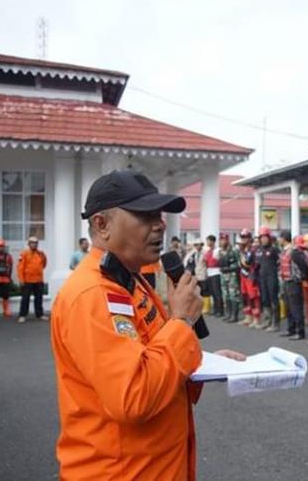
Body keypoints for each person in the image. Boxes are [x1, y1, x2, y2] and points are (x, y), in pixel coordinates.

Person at [51, 169, 244, 479]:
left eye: (159, 214)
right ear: (102, 225)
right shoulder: (91, 294)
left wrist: (205, 364)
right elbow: (134, 397)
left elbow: (153, 358)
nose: (160, 224)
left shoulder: (132, 280)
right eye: (144, 215)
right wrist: (181, 322)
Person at [279, 234, 308, 340]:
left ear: (283, 239)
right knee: (288, 307)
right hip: (286, 281)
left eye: (280, 238)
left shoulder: (295, 252)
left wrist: (304, 278)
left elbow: (303, 266)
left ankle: (300, 332)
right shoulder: (284, 251)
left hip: (294, 282)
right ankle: (290, 329)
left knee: (296, 307)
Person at [17, 236, 48, 323]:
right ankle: (22, 315)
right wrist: (21, 279)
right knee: (25, 299)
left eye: (35, 243)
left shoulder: (41, 254)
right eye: (32, 243)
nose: (34, 245)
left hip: (38, 280)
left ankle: (40, 314)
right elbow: (20, 268)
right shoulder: (24, 254)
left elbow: (44, 264)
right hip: (27, 280)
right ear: (29, 244)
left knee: (39, 298)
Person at [255, 227, 280, 331]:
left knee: (273, 299)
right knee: (264, 299)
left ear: (269, 238)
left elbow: (279, 263)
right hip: (262, 278)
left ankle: (275, 323)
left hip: (272, 277)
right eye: (261, 237)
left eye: (265, 237)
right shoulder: (259, 250)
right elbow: (257, 265)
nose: (263, 240)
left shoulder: (274, 250)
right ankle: (267, 320)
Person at [236, 230, 261, 327]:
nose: (243, 239)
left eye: (245, 237)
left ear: (249, 238)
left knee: (253, 297)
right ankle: (248, 316)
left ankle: (256, 318)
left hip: (251, 275)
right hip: (243, 275)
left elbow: (248, 262)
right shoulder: (242, 250)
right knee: (245, 296)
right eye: (242, 237)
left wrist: (243, 251)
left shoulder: (253, 249)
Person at [218, 233, 242, 323]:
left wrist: (229, 268)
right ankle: (228, 314)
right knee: (225, 295)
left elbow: (238, 264)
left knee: (233, 295)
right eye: (221, 240)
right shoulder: (220, 251)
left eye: (224, 240)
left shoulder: (234, 250)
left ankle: (234, 315)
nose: (222, 242)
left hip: (232, 274)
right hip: (223, 275)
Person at [204, 235, 224, 318]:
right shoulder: (208, 251)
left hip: (216, 272)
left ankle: (220, 310)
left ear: (212, 241)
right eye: (207, 241)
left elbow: (219, 260)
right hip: (209, 272)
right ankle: (215, 310)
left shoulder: (217, 250)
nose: (207, 243)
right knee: (213, 292)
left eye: (208, 241)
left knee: (217, 292)